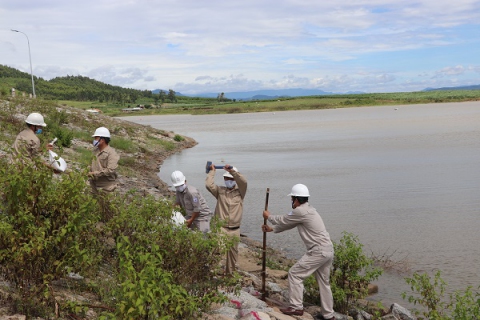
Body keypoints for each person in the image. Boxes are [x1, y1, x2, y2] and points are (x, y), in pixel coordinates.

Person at [262, 184, 335, 319]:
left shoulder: (299, 211)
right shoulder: (309, 210)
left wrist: (269, 216)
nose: (291, 202)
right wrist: (272, 229)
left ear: (296, 199)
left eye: (292, 199)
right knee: (324, 282)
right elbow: (289, 223)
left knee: (295, 274)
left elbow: (283, 219)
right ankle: (329, 314)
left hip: (318, 251)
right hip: (328, 249)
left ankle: (296, 307)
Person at [205, 163, 247, 275]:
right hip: (221, 228)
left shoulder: (240, 192)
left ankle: (230, 276)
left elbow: (243, 182)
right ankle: (210, 274)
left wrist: (232, 170)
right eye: (226, 178)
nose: (228, 180)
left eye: (231, 179)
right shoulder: (220, 191)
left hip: (235, 229)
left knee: (232, 255)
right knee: (216, 250)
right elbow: (209, 185)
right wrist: (212, 171)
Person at [88, 127, 119, 193]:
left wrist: (94, 173)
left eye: (96, 138)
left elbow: (110, 170)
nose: (94, 140)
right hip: (94, 185)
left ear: (102, 140)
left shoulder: (112, 153)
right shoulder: (95, 151)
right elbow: (91, 165)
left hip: (107, 187)